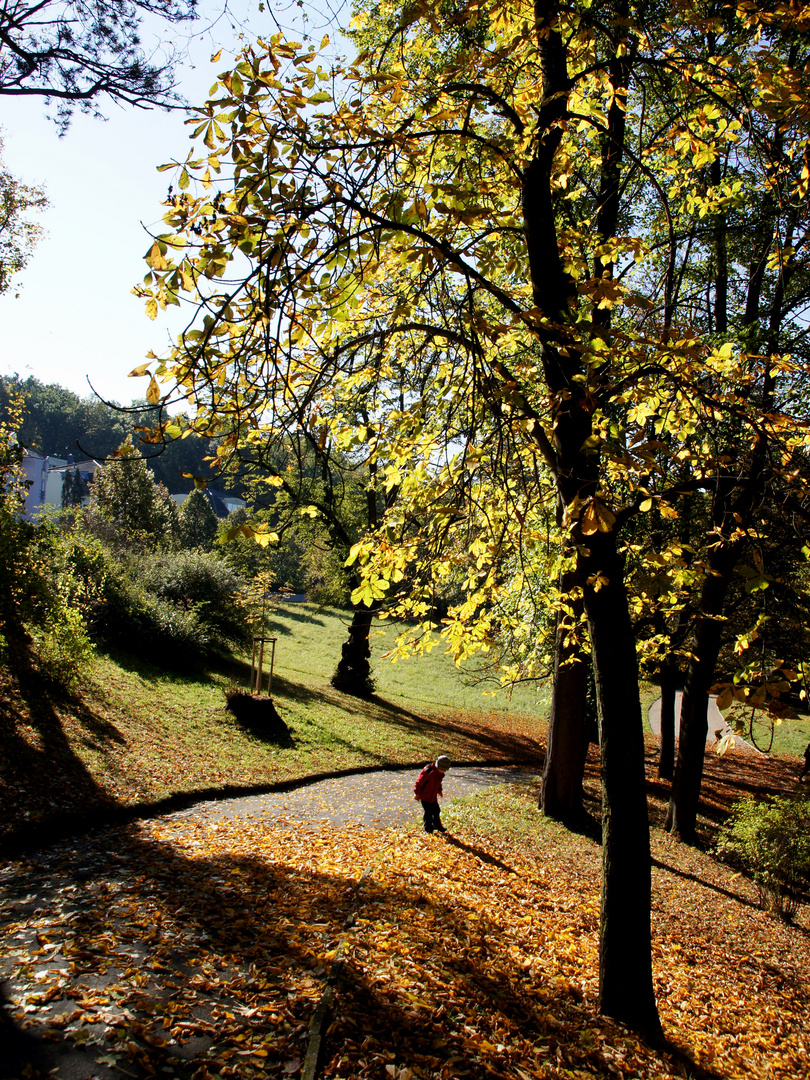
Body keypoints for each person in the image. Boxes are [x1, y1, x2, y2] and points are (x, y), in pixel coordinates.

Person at [414, 755, 451, 834]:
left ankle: (437, 825)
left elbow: (438, 783)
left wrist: (439, 790)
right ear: (438, 766)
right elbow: (419, 782)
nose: (444, 771)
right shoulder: (428, 771)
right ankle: (428, 828)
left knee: (436, 810)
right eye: (443, 769)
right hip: (425, 796)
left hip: (433, 796)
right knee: (428, 812)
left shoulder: (439, 774)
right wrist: (417, 793)